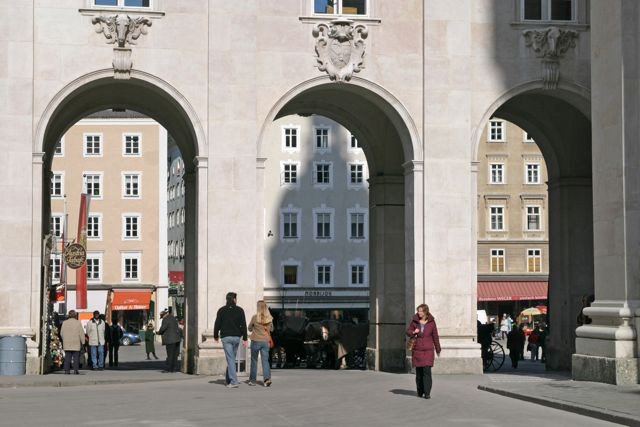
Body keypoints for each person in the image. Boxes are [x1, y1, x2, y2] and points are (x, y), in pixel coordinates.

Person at [406, 304, 441, 399]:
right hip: (417, 350)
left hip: (428, 351)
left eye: (420, 311)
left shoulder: (432, 322)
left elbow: (435, 336)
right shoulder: (414, 321)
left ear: (425, 311)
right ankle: (420, 391)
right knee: (419, 373)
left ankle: (427, 393)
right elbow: (408, 331)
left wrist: (438, 349)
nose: (419, 313)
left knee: (427, 371)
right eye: (418, 311)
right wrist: (413, 332)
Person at [213, 292, 248, 388]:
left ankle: (233, 381)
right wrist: (245, 338)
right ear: (234, 299)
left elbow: (217, 324)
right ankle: (229, 379)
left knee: (230, 359)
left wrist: (215, 335)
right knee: (231, 359)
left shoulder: (221, 310)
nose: (237, 300)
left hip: (226, 337)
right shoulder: (240, 310)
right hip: (236, 337)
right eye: (236, 298)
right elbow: (243, 325)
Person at [247, 300, 273, 387]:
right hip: (266, 341)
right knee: (265, 361)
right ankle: (267, 379)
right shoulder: (269, 318)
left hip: (256, 341)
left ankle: (253, 381)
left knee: (254, 361)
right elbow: (272, 329)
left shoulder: (255, 317)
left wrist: (255, 328)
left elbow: (249, 328)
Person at [60, 310, 86, 375]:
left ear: (69, 315)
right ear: (75, 315)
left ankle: (66, 370)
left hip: (67, 342)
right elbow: (81, 333)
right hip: (76, 342)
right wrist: (83, 342)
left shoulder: (64, 323)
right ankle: (75, 370)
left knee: (67, 357)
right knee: (76, 358)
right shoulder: (78, 323)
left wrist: (64, 339)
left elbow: (61, 333)